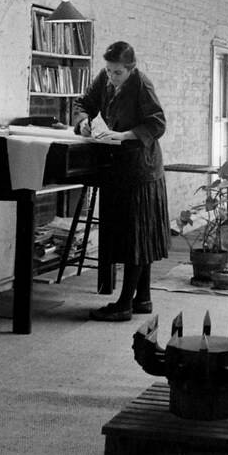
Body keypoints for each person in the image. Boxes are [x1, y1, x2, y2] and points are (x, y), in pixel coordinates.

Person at [71, 41, 170, 322]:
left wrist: (126, 135)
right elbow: (83, 104)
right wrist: (83, 123)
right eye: (109, 71)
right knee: (137, 233)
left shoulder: (142, 84)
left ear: (131, 69)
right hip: (119, 167)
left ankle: (125, 303)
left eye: (117, 73)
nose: (111, 77)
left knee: (138, 236)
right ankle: (143, 299)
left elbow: (157, 123)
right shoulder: (105, 77)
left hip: (141, 170)